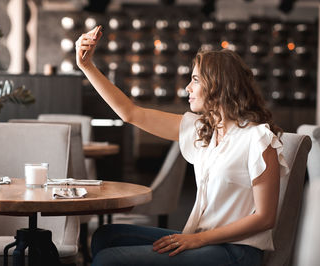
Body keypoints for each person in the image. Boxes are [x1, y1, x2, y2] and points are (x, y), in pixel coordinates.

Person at [75, 25, 289, 266]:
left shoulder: (257, 138)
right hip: (202, 240)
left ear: (219, 85)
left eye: (195, 80)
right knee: (107, 236)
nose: (187, 87)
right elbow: (130, 113)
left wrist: (199, 240)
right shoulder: (203, 129)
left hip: (236, 252)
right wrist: (87, 66)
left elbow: (265, 217)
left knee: (109, 260)